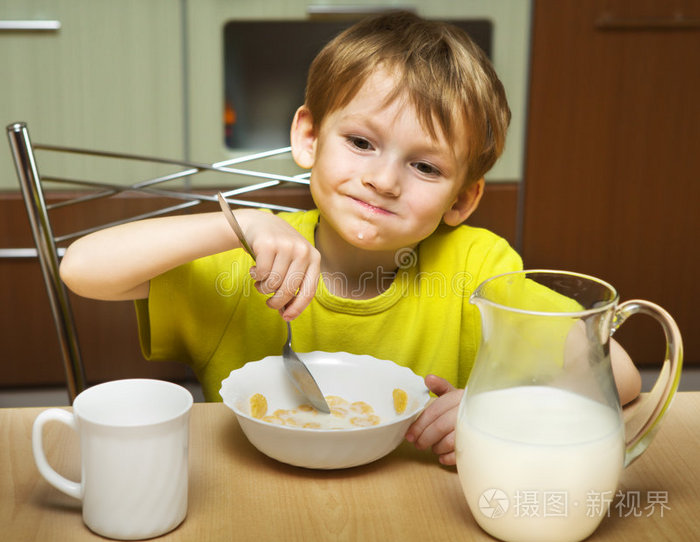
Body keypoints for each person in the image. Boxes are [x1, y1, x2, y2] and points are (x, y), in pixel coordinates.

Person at [59, 11, 641, 465]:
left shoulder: (477, 267)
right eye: (361, 143)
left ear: (462, 198)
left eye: (426, 168)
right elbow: (81, 268)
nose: (383, 181)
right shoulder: (247, 256)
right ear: (309, 137)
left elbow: (620, 372)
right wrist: (242, 222)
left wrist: (496, 406)